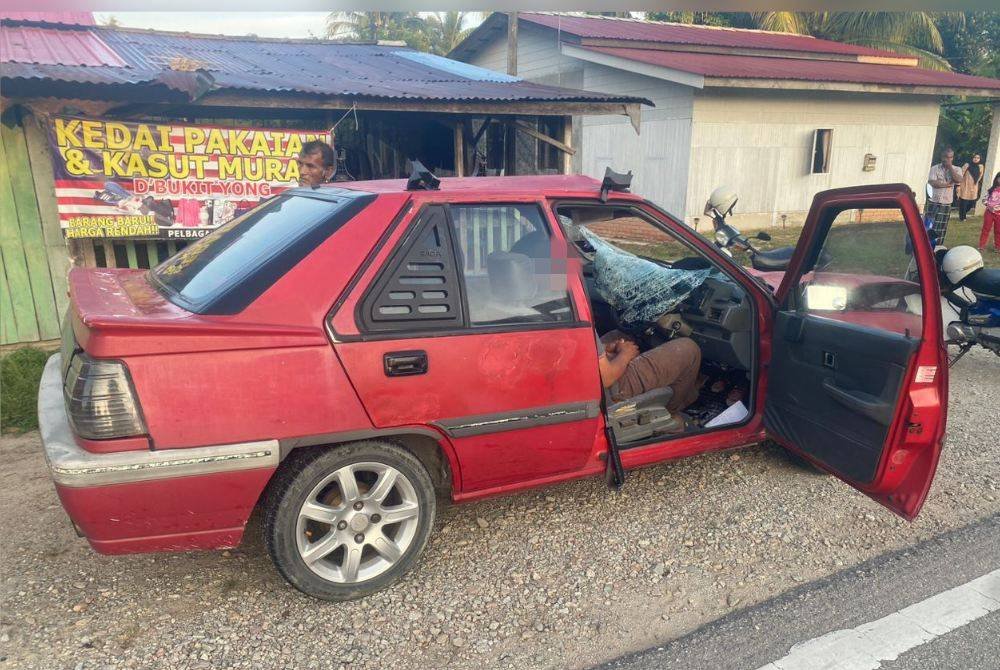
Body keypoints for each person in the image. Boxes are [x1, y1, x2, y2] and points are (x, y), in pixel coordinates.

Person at [596, 330, 702, 431]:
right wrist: (625, 354)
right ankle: (670, 416)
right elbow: (605, 378)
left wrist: (604, 349)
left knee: (618, 335)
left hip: (590, 373)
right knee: (688, 348)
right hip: (608, 388)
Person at [927, 147, 964, 244]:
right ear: (942, 157)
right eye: (946, 157)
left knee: (941, 228)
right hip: (933, 201)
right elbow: (933, 183)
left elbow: (958, 180)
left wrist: (950, 167)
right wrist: (947, 184)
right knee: (929, 225)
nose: (948, 159)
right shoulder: (934, 168)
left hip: (946, 202)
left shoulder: (957, 169)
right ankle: (926, 245)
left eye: (950, 157)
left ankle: (938, 246)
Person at [958, 153, 985, 221]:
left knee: (972, 202)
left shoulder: (981, 166)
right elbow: (960, 174)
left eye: (978, 158)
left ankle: (962, 213)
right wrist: (959, 185)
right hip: (965, 185)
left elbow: (980, 175)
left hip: (974, 187)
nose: (976, 159)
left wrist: (976, 183)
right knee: (964, 202)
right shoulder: (967, 165)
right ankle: (963, 217)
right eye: (974, 157)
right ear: (972, 158)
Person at [981, 172, 1000, 253]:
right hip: (989, 212)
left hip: (999, 214)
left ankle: (997, 246)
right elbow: (984, 200)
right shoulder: (991, 190)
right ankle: (981, 246)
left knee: (998, 230)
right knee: (986, 229)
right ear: (997, 179)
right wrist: (989, 206)